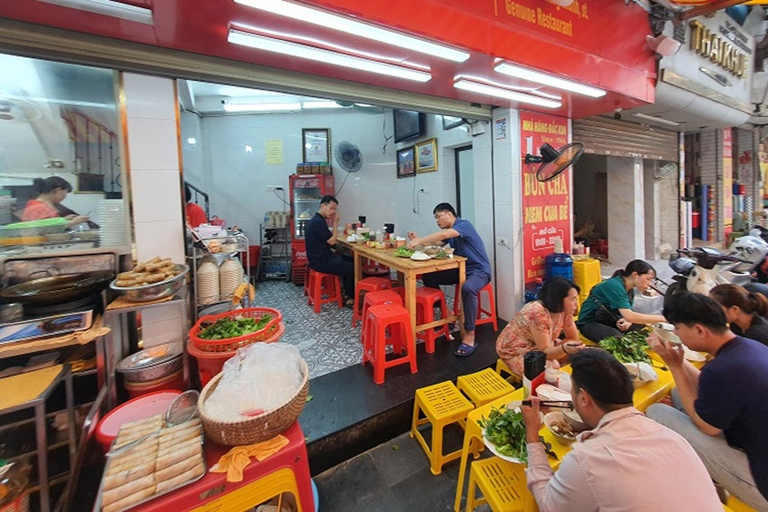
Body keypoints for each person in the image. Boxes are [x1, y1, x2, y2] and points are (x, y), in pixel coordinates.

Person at [521, 348, 722, 512]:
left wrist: (532, 434)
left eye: (572, 391)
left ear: (583, 398)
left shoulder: (588, 460)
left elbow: (549, 506)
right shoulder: (671, 436)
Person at [645, 292, 768, 510]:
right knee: (678, 393)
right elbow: (711, 385)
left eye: (678, 329)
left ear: (700, 330)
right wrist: (679, 362)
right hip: (753, 442)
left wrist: (674, 366)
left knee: (658, 413)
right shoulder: (748, 346)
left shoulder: (722, 369)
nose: (677, 335)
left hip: (760, 481)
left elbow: (707, 427)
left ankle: (694, 481)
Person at [407, 203, 492, 356]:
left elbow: (443, 236)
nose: (437, 221)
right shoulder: (450, 233)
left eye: (438, 216)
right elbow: (434, 244)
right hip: (461, 270)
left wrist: (419, 242)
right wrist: (418, 240)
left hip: (479, 271)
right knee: (429, 276)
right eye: (435, 218)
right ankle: (447, 315)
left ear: (449, 214)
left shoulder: (463, 225)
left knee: (468, 288)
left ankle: (469, 334)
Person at [495, 277, 585, 376]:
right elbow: (544, 352)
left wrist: (565, 348)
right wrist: (564, 349)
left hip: (542, 345)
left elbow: (573, 338)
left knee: (577, 354)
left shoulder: (565, 310)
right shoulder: (537, 313)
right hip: (515, 350)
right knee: (552, 367)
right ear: (558, 300)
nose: (576, 304)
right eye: (573, 299)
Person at [576, 259, 666, 343]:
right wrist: (663, 319)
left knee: (644, 328)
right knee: (617, 340)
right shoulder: (614, 286)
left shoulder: (629, 289)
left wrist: (628, 322)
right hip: (590, 322)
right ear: (635, 275)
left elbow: (627, 314)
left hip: (609, 319)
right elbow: (629, 316)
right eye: (648, 279)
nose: (649, 284)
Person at [305, 195, 354, 305]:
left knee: (349, 259)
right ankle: (349, 297)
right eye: (331, 208)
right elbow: (332, 241)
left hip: (316, 259)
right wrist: (336, 223)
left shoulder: (314, 220)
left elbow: (326, 242)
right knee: (352, 268)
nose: (333, 212)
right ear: (323, 206)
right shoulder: (318, 222)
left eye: (335, 209)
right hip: (321, 262)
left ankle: (345, 290)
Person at [21, 177, 88, 225]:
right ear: (58, 190)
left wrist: (64, 219)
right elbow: (45, 229)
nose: (64, 198)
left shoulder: (41, 205)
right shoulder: (39, 208)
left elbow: (49, 222)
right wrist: (72, 223)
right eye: (64, 194)